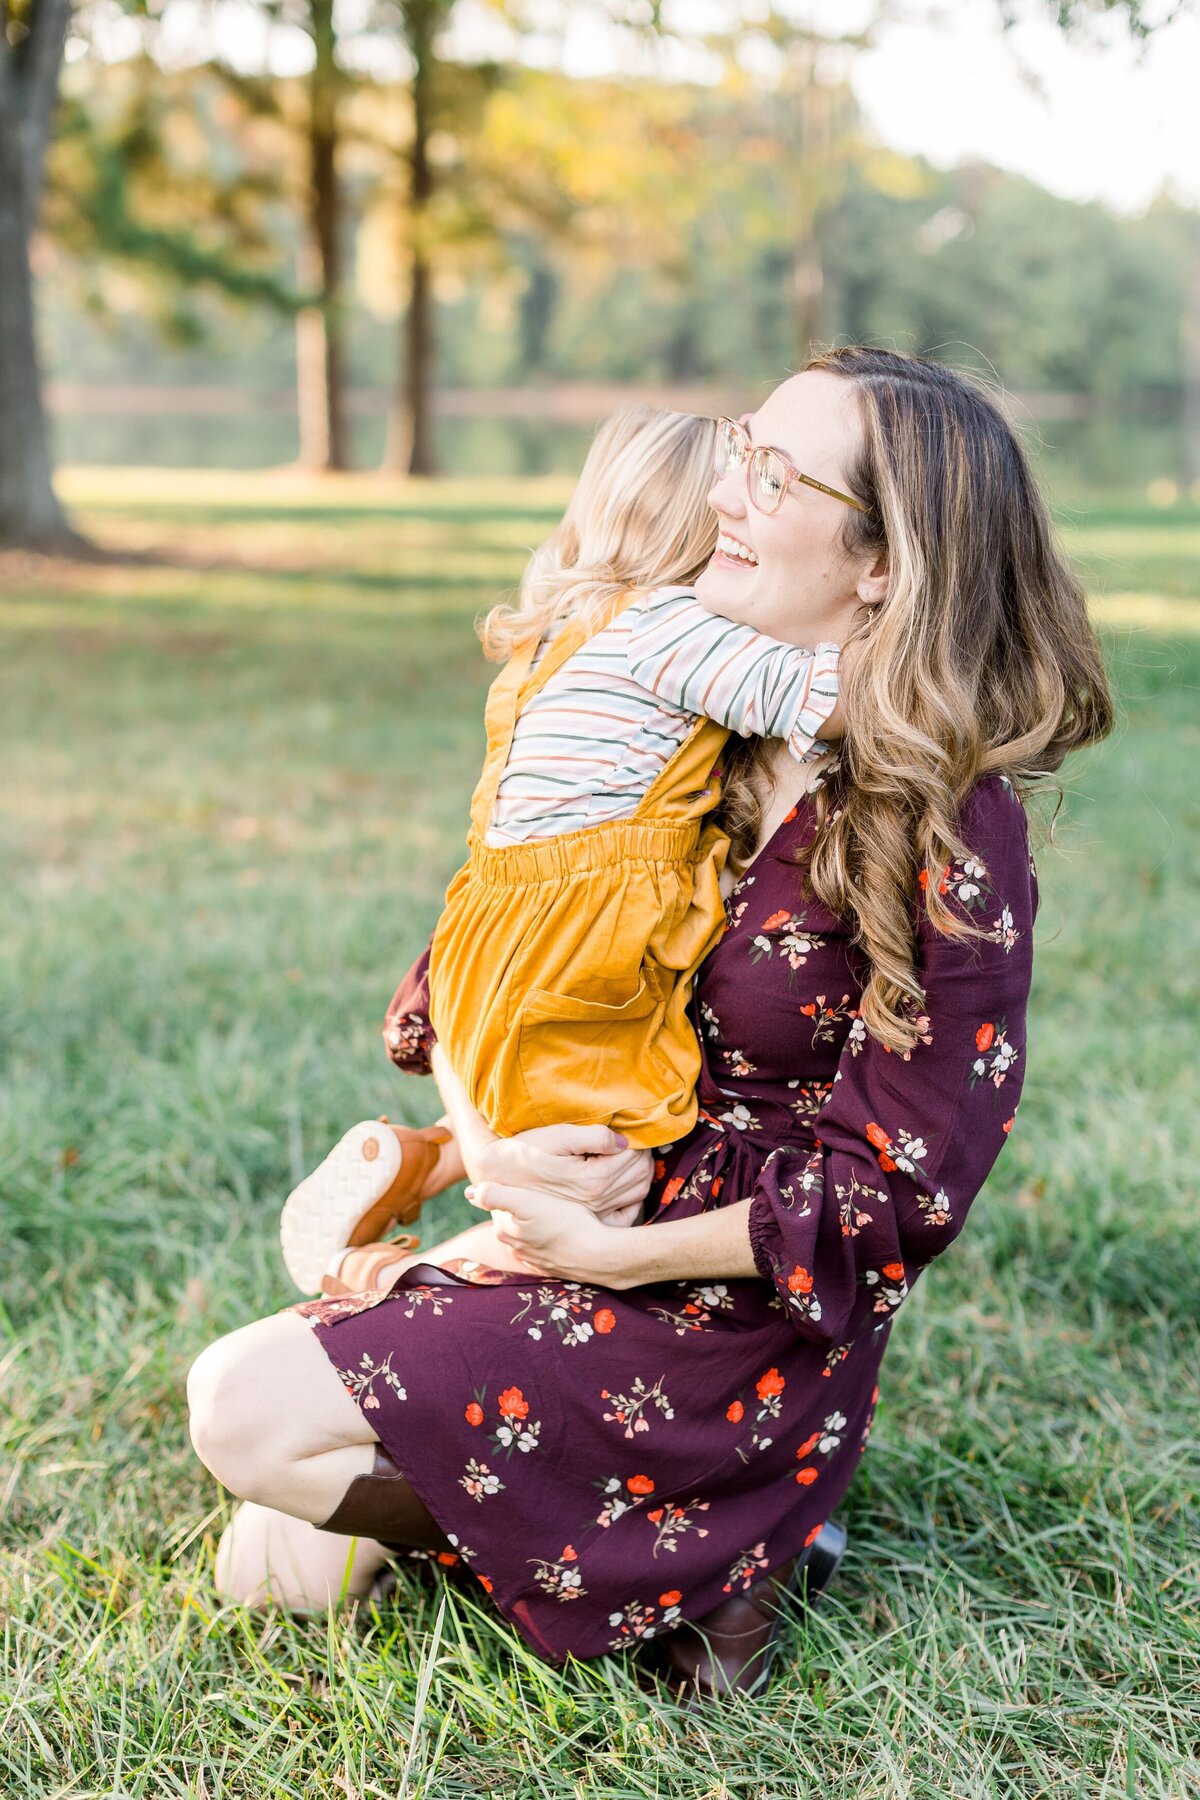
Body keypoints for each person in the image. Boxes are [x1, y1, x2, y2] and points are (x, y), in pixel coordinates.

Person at [186, 346, 1113, 1704]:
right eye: (746, 447)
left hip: (733, 1305)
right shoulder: (679, 698)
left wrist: (615, 1256)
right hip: (585, 1201)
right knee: (269, 1572)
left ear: (879, 563)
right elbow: (473, 954)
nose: (730, 493)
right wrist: (503, 1147)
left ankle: (724, 1549)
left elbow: (903, 1197)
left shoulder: (950, 825)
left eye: (780, 476)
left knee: (244, 1411)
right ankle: (653, 1555)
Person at [278, 403, 845, 1299]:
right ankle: (386, 1281)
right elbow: (823, 696)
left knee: (540, 1130)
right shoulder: (673, 631)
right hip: (579, 936)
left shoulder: (561, 630)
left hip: (491, 926)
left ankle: (425, 1161)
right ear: (711, 530)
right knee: (597, 1191)